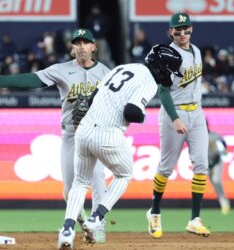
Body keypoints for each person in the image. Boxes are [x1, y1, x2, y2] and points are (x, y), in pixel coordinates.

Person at [0, 28, 110, 243]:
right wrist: (3, 80)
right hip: (71, 134)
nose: (81, 47)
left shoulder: (107, 73)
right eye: (77, 43)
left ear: (93, 47)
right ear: (72, 48)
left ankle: (98, 225)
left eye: (85, 43)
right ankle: (81, 224)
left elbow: (116, 102)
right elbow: (34, 80)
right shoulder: (61, 70)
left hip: (96, 133)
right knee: (70, 189)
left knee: (98, 179)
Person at [57, 44, 183, 249]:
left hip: (84, 130)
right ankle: (96, 219)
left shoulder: (122, 68)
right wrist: (143, 115)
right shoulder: (149, 81)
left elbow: (89, 99)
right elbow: (131, 112)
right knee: (124, 175)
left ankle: (67, 231)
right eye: (169, 71)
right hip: (108, 134)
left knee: (79, 183)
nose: (170, 76)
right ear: (161, 67)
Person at [146, 12, 211, 239]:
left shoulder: (197, 51)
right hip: (175, 112)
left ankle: (194, 219)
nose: (182, 34)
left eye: (185, 29)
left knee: (202, 164)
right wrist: (175, 118)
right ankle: (154, 212)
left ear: (191, 29)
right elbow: (163, 91)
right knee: (166, 167)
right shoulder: (167, 55)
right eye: (177, 30)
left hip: (197, 112)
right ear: (170, 32)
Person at [207, 120, 230, 215]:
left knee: (216, 180)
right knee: (213, 182)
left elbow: (223, 143)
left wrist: (223, 151)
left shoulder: (214, 136)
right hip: (207, 163)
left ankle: (224, 202)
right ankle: (221, 200)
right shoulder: (197, 137)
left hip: (216, 161)